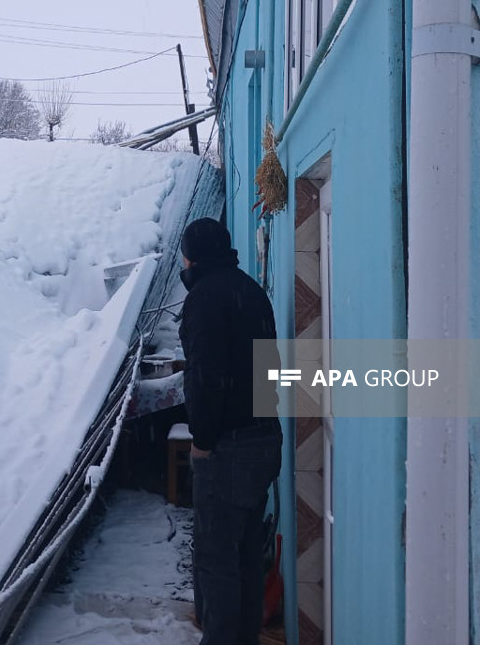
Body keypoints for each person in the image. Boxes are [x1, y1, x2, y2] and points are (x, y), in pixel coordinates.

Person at [178, 216, 282, 645]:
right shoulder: (250, 291)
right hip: (264, 438)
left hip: (229, 448)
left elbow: (206, 378)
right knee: (244, 556)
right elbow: (268, 368)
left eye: (185, 258)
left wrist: (202, 441)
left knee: (216, 560)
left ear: (194, 258)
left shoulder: (204, 299)